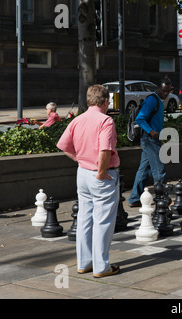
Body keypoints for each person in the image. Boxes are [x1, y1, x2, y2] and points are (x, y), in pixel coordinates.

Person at [57, 84, 120, 278]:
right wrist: (101, 172)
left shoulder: (78, 120)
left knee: (84, 219)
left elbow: (63, 145)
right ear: (105, 102)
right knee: (103, 221)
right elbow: (104, 150)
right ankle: (101, 267)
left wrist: (79, 159)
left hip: (83, 173)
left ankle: (84, 263)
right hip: (100, 175)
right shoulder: (106, 121)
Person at [128, 78, 172, 207]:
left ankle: (135, 198)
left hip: (152, 139)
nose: (166, 94)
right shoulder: (152, 100)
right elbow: (140, 119)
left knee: (144, 170)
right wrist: (152, 132)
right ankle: (162, 198)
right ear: (158, 88)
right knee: (159, 170)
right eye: (164, 91)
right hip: (150, 139)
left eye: (168, 92)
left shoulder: (157, 100)